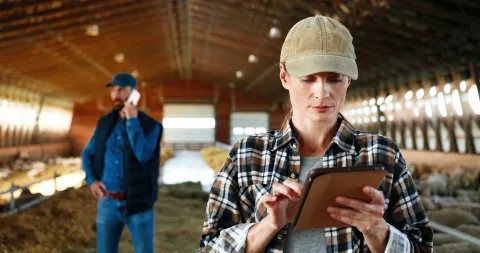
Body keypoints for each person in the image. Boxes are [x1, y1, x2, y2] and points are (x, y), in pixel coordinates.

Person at [199, 15, 433, 253]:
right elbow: (209, 247)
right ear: (284, 76)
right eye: (308, 79)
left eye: (334, 79)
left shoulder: (382, 154)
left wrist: (376, 230)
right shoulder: (247, 155)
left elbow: (422, 248)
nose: (322, 92)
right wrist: (269, 225)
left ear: (348, 80)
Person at [82, 72, 163, 253]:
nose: (116, 94)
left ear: (134, 93)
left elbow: (143, 154)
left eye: (121, 90)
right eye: (113, 90)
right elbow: (87, 153)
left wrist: (132, 120)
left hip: (139, 203)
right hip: (108, 202)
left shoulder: (151, 126)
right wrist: (91, 180)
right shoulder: (104, 124)